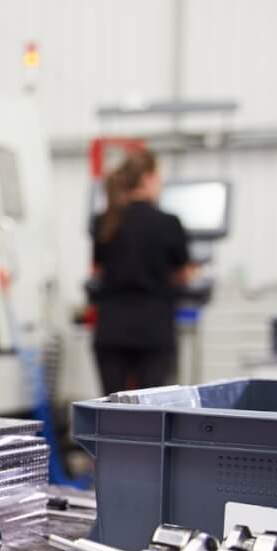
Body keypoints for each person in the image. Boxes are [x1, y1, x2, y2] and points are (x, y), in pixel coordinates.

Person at [90, 151, 197, 393]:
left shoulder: (105, 221)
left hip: (111, 328)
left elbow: (98, 272)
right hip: (152, 329)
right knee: (149, 410)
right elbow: (183, 274)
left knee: (110, 407)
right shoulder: (168, 223)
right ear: (147, 178)